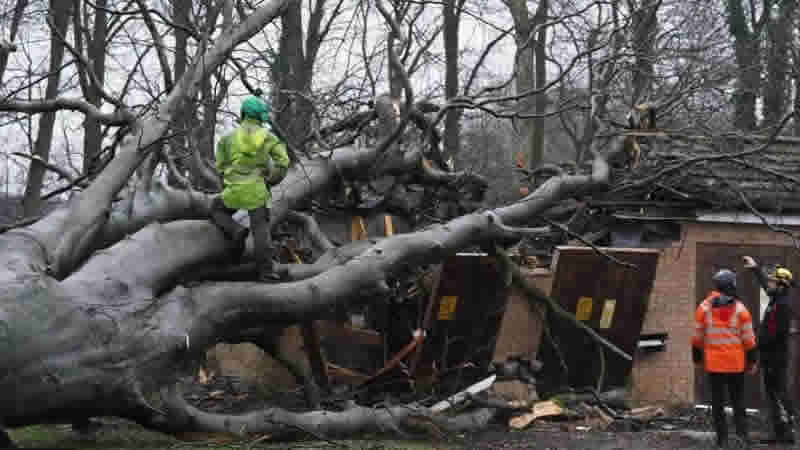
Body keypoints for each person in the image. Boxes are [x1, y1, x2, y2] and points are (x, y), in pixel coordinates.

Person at [210, 95, 290, 281]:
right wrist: (271, 180)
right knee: (261, 230)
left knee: (216, 208)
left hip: (234, 191)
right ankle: (266, 273)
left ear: (243, 114)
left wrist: (228, 183)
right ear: (260, 116)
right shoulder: (268, 137)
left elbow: (220, 167)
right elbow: (283, 162)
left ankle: (235, 230)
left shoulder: (228, 138)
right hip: (257, 191)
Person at [692, 268, 758, 447]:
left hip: (714, 366)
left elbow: (696, 338)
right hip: (735, 366)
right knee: (738, 402)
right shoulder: (741, 309)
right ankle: (742, 438)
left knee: (718, 404)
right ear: (731, 285)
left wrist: (697, 360)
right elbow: (749, 340)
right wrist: (752, 362)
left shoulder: (704, 308)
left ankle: (722, 440)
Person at [743, 255, 795, 444]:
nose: (770, 284)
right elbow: (766, 287)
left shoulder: (782, 306)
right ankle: (779, 433)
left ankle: (787, 434)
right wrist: (755, 269)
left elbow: (771, 335)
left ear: (781, 286)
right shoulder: (776, 299)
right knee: (774, 396)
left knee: (779, 395)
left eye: (774, 281)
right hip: (770, 358)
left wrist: (752, 347)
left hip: (775, 359)